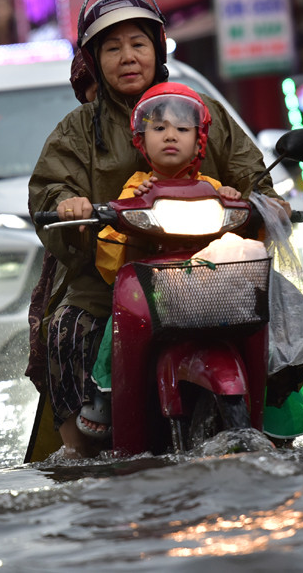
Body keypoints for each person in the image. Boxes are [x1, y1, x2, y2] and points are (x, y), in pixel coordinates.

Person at [27, 0, 281, 458]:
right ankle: (81, 451)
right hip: (107, 279)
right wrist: (70, 205)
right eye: (113, 47)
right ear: (93, 60)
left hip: (208, 273)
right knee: (67, 329)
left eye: (138, 43)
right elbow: (50, 186)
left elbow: (248, 170)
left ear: (157, 49)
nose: (127, 57)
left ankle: (273, 412)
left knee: (280, 322)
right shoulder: (79, 129)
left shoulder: (202, 112)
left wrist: (264, 197)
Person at [77, 81, 241, 437]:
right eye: (159, 128)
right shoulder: (136, 187)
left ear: (199, 139)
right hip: (150, 291)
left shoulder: (211, 186)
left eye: (182, 129)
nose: (171, 136)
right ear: (141, 138)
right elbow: (111, 249)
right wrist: (127, 207)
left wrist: (231, 197)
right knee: (117, 320)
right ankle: (105, 389)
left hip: (204, 287)